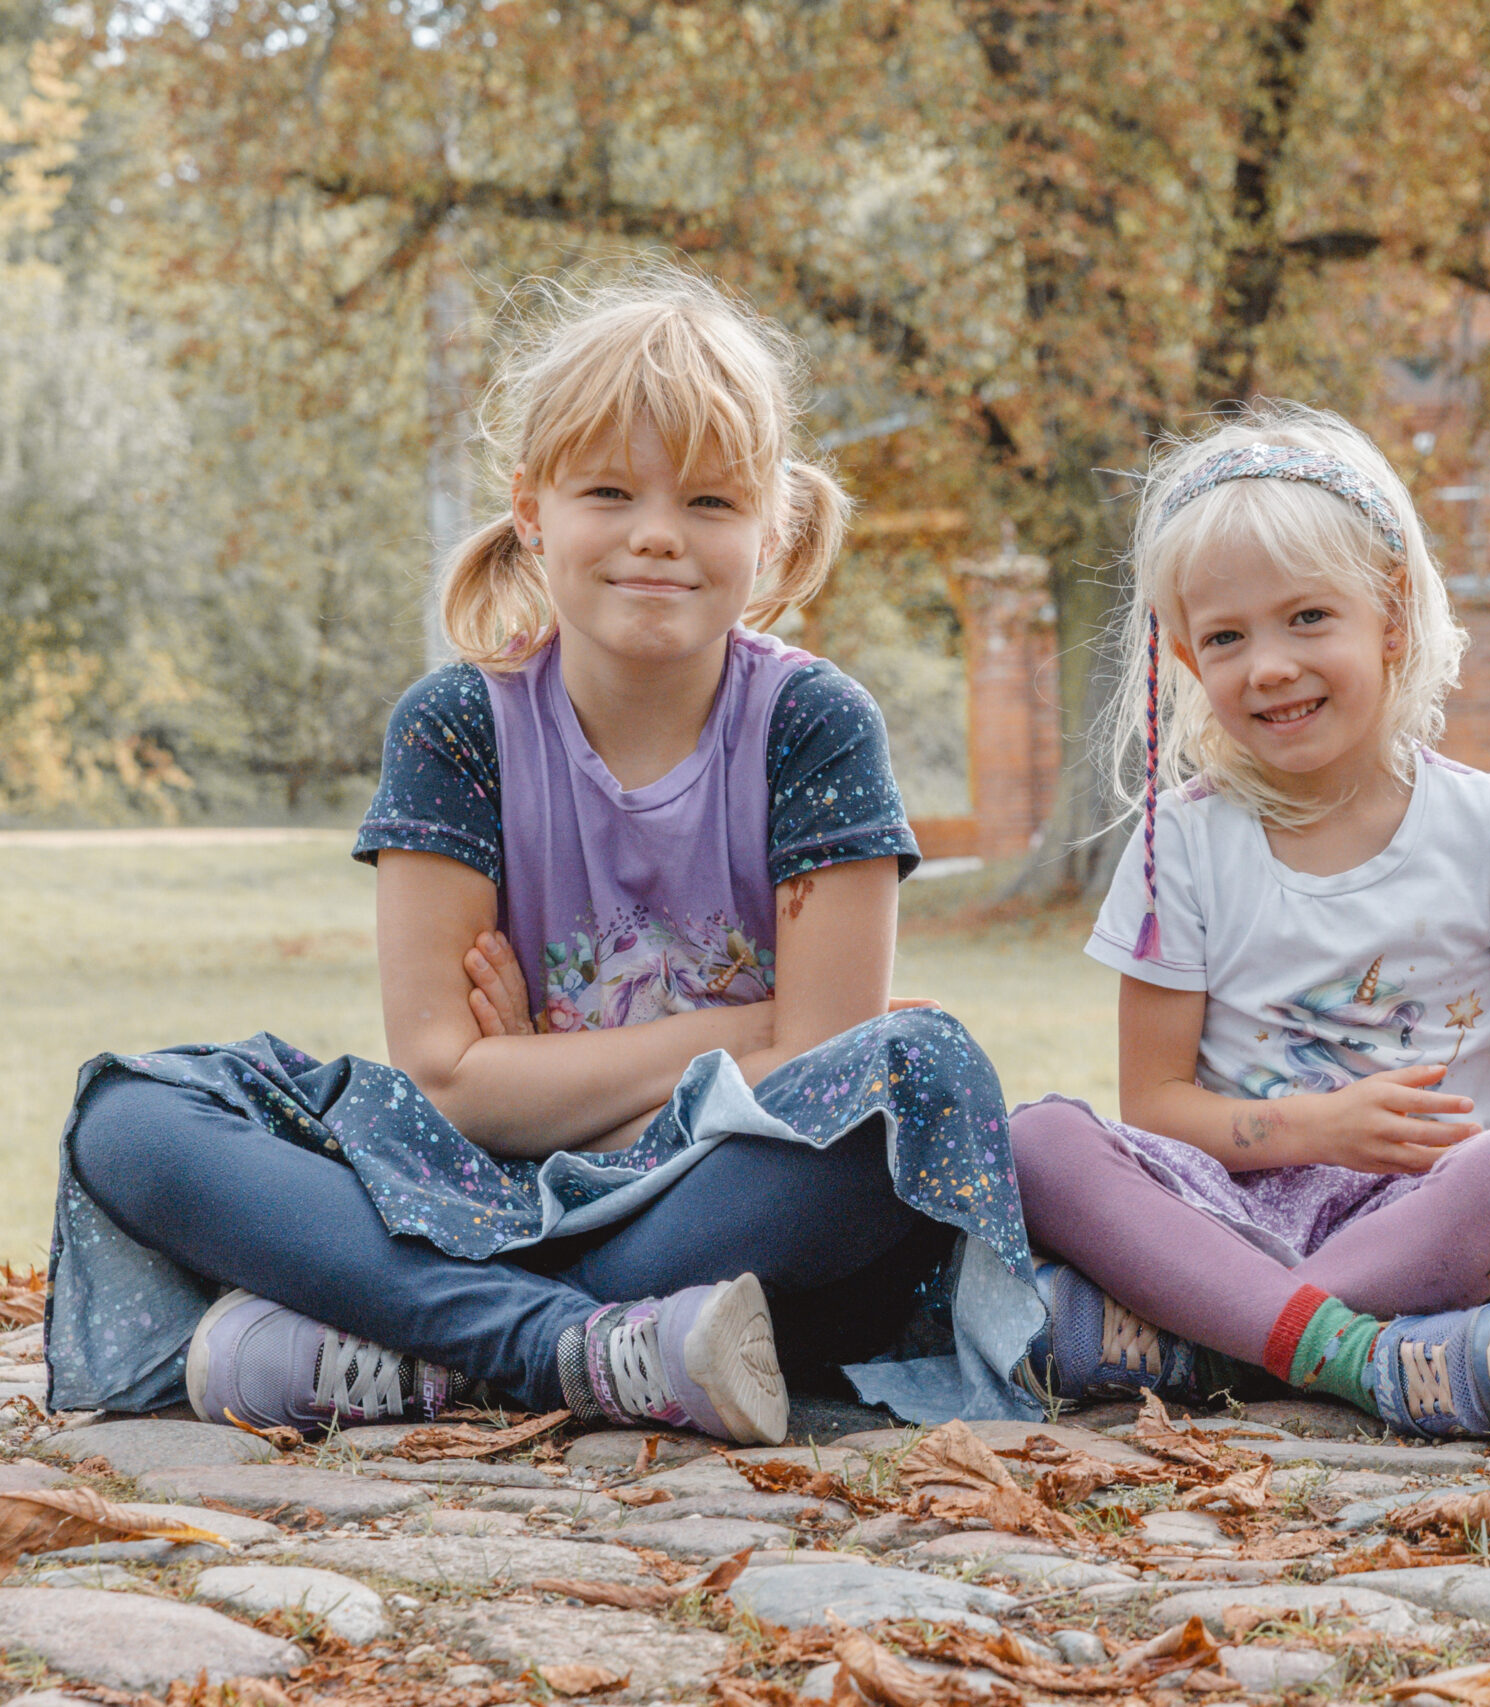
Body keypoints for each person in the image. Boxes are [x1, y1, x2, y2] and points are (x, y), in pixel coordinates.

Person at [46, 267, 1029, 1442]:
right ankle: (555, 1346)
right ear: (532, 507)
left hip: (709, 1207)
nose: (657, 536)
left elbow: (819, 1078)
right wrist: (742, 1029)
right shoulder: (462, 725)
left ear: (771, 533)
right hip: (481, 1196)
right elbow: (449, 1083)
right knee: (135, 1113)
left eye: (711, 503)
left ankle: (421, 1346)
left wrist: (550, 1087)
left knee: (918, 1078)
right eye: (610, 490)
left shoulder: (815, 726)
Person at [1005, 404, 1490, 1443]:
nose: (1268, 666)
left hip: (1416, 1213)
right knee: (1037, 1143)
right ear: (1189, 662)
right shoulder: (1178, 846)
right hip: (1225, 1209)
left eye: (1307, 620)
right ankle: (1349, 1355)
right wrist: (1313, 1131)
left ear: (1392, 618)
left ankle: (1193, 1339)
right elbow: (1151, 1105)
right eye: (1228, 638)